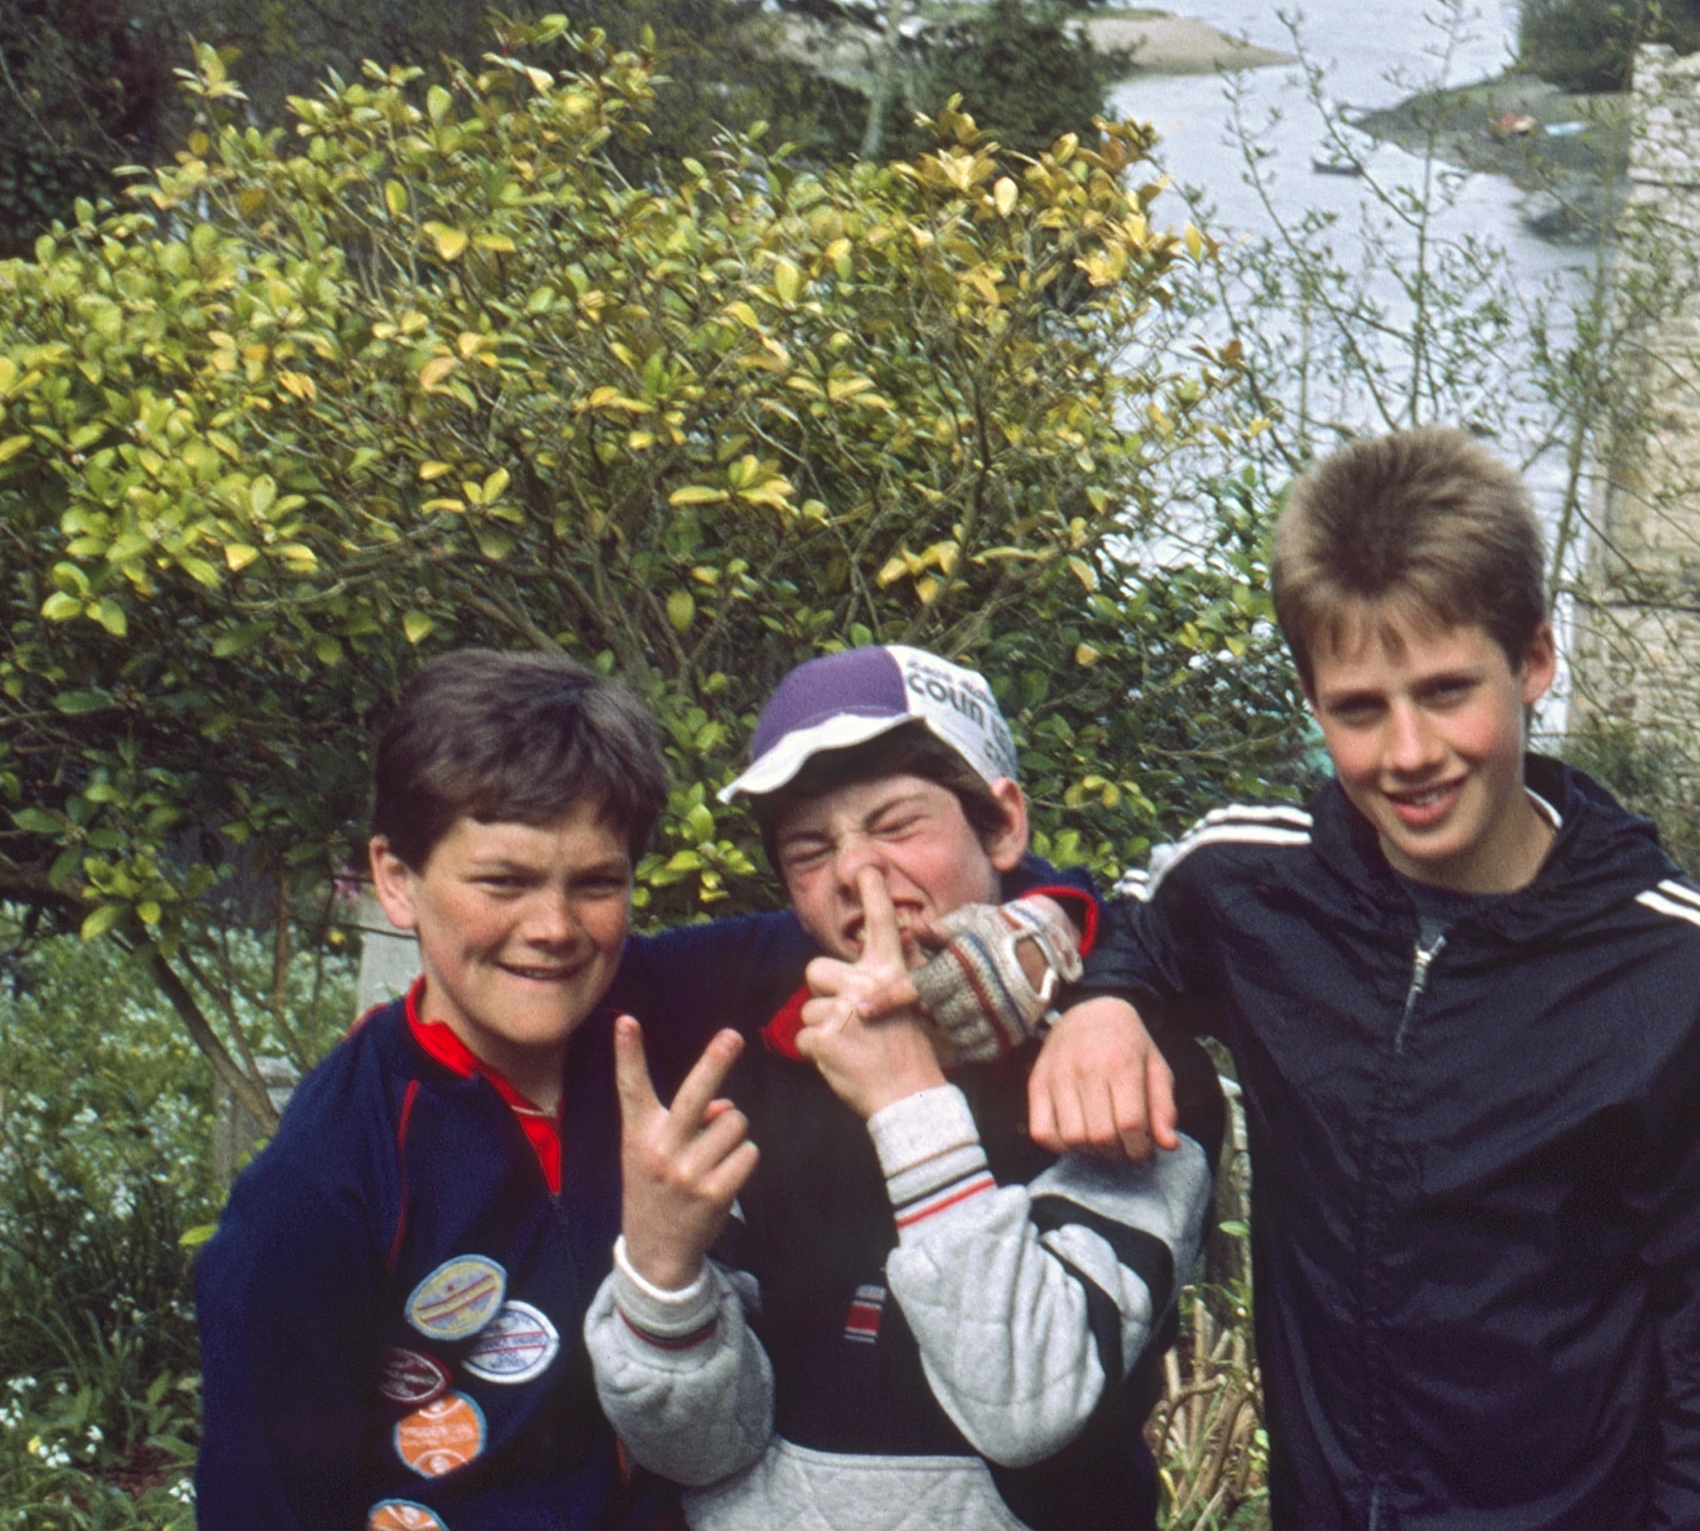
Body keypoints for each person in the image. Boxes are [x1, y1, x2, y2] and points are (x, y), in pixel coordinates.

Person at [1031, 427, 1700, 1531]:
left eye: (1447, 690)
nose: (1407, 752)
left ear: (1536, 658)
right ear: (1313, 703)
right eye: (1359, 706)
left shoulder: (1677, 969)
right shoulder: (1254, 882)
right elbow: (1134, 906)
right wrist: (1102, 1001)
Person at [586, 644, 1224, 1531]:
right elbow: (698, 1448)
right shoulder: (754, 1061)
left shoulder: (1123, 1065)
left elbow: (1029, 1404)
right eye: (810, 850)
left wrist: (908, 1106)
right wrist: (659, 1275)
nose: (858, 874)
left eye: (896, 825)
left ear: (1003, 826)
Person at [196, 650, 751, 1530]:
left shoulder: (659, 1011)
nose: (555, 928)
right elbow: (260, 1501)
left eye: (598, 883)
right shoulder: (322, 1179)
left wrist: (1048, 933)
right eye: (504, 880)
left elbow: (857, 923)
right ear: (396, 879)